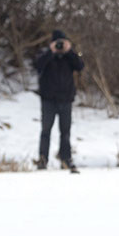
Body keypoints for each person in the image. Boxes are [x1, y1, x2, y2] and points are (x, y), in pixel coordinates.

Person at [34, 29, 84, 173]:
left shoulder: (70, 57)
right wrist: (50, 51)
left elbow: (80, 66)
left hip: (66, 100)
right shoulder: (46, 54)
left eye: (63, 43)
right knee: (45, 130)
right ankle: (43, 159)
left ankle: (66, 159)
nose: (60, 46)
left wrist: (70, 51)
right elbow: (38, 66)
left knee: (65, 132)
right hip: (48, 100)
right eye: (58, 43)